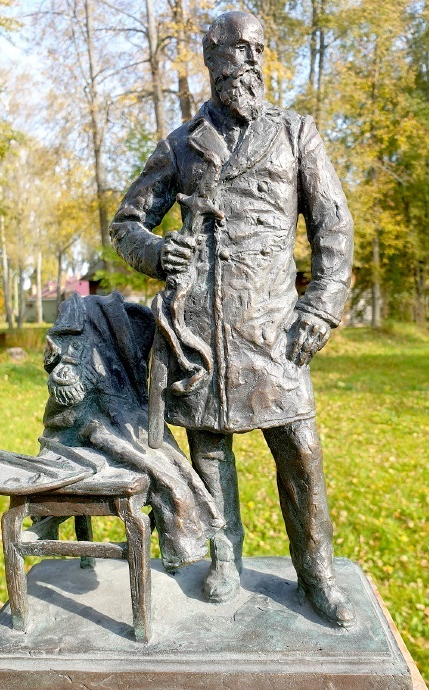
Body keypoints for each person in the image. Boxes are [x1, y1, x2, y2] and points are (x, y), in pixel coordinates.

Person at [109, 10, 355, 626]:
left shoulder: (296, 132)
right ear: (211, 56)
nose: (250, 61)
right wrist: (157, 253)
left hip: (275, 331)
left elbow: (334, 228)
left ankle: (318, 573)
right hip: (203, 333)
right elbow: (126, 224)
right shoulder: (182, 143)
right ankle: (226, 557)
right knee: (211, 451)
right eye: (239, 48)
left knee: (299, 453)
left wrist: (320, 308)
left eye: (258, 50)